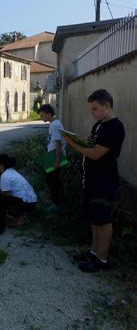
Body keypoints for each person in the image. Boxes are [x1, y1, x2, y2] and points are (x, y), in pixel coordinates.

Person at [63, 90, 125, 273]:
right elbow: (90, 145)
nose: (93, 113)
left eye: (95, 109)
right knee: (94, 218)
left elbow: (95, 154)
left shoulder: (114, 127)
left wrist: (71, 142)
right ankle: (94, 252)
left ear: (107, 106)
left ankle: (102, 260)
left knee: (104, 220)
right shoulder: (99, 124)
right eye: (91, 109)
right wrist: (78, 139)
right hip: (92, 179)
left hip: (104, 180)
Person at [0, 154, 37, 228]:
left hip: (27, 203)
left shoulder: (5, 176)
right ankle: (20, 216)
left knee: (1, 199)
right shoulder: (11, 171)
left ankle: (19, 218)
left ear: (1, 166)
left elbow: (6, 194)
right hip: (32, 200)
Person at [39, 104, 66, 206]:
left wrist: (57, 160)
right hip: (52, 154)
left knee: (52, 179)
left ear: (49, 114)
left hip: (55, 155)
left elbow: (58, 142)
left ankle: (57, 201)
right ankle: (59, 199)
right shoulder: (54, 123)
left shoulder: (55, 125)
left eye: (42, 115)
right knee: (54, 179)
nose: (41, 118)